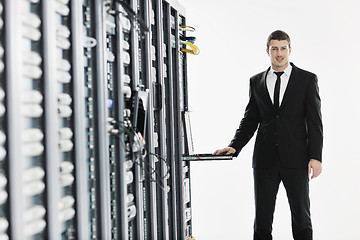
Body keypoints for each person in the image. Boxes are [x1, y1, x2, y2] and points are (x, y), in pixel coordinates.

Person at [213, 30, 323, 240]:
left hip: (297, 159)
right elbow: (250, 119)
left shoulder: (307, 80)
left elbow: (315, 121)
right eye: (274, 49)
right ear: (268, 51)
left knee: (301, 218)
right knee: (262, 221)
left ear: (290, 50)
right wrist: (234, 145)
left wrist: (315, 157)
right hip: (264, 160)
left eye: (283, 48)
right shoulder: (256, 81)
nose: (279, 53)